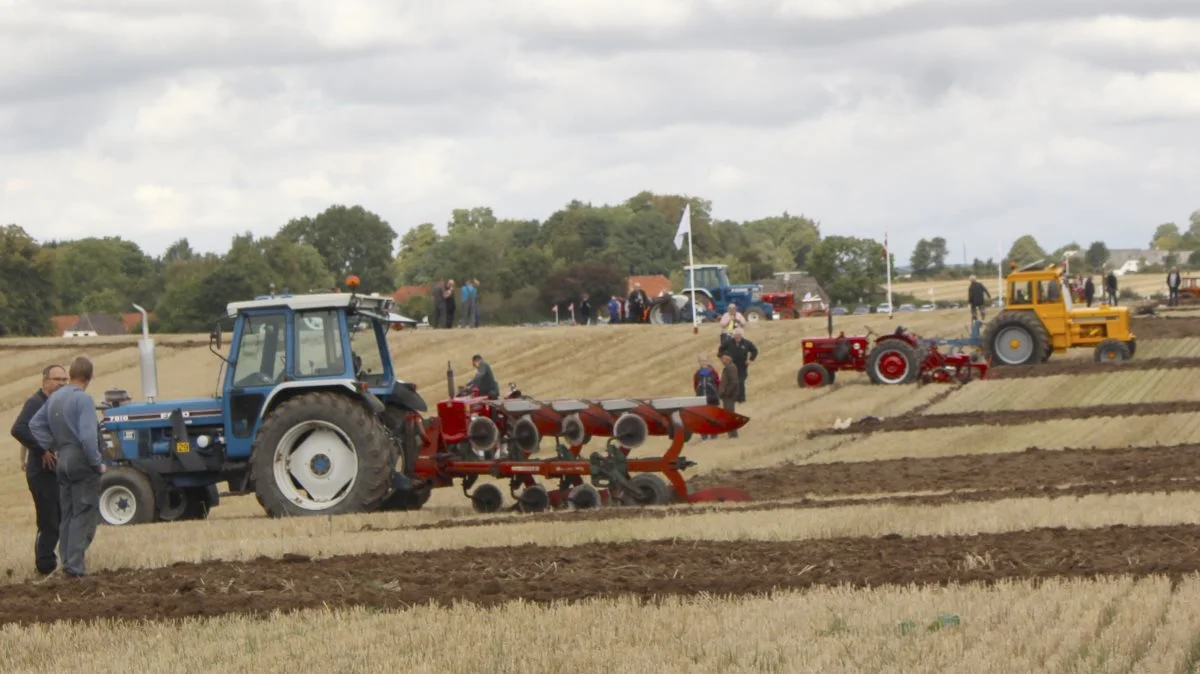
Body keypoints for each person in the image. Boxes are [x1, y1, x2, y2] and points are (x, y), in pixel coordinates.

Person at [28, 356, 106, 578]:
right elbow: (89, 437)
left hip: (62, 461)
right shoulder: (83, 400)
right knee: (84, 513)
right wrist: (97, 463)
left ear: (71, 375)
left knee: (68, 514)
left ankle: (67, 564)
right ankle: (74, 567)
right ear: (89, 377)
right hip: (81, 461)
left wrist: (52, 445)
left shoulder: (54, 398)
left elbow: (35, 425)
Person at [10, 364, 68, 575]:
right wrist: (41, 449)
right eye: (57, 379)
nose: (61, 383)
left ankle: (52, 565)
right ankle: (44, 568)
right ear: (45, 382)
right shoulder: (36, 403)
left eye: (64, 379)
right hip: (41, 472)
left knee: (60, 518)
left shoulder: (55, 403)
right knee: (48, 521)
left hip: (54, 471)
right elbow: (18, 429)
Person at [717, 328, 758, 403]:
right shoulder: (728, 342)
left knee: (741, 381)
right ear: (734, 335)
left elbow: (754, 350)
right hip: (730, 366)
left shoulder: (747, 343)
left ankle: (741, 398)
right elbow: (720, 350)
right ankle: (730, 396)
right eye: (736, 335)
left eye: (739, 336)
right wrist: (722, 357)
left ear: (742, 336)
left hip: (742, 365)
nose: (737, 338)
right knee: (731, 381)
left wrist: (750, 360)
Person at [692, 355, 720, 440]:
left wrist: (716, 393)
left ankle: (714, 434)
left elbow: (718, 383)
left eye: (705, 361)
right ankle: (704, 435)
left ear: (708, 361)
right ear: (699, 362)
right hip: (700, 398)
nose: (703, 362)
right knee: (701, 417)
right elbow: (695, 385)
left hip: (712, 397)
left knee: (713, 416)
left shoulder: (713, 372)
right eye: (701, 361)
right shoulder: (697, 374)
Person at [717, 354, 740, 439]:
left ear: (728, 359)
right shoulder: (728, 367)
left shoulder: (731, 368)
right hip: (727, 396)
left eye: (723, 359)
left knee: (730, 415)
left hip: (729, 397)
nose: (722, 360)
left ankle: (733, 435)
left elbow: (734, 382)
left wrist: (726, 393)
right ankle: (731, 434)